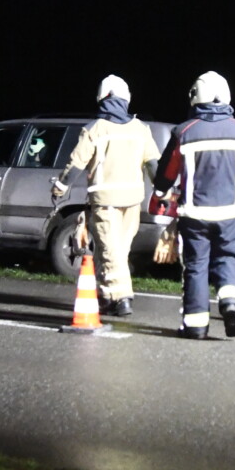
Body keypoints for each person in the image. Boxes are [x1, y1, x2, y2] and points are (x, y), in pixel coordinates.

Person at [152, 71, 235, 339]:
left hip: (194, 216)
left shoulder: (184, 132)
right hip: (228, 215)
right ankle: (231, 303)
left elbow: (167, 173)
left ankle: (196, 325)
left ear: (195, 96)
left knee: (196, 267)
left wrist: (160, 192)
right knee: (227, 258)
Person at [52, 75, 161, 316]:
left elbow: (75, 164)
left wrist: (60, 186)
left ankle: (122, 297)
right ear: (127, 98)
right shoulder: (140, 129)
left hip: (106, 201)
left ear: (102, 98)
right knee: (115, 250)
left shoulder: (95, 129)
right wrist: (163, 192)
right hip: (133, 201)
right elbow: (154, 166)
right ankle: (107, 296)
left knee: (111, 250)